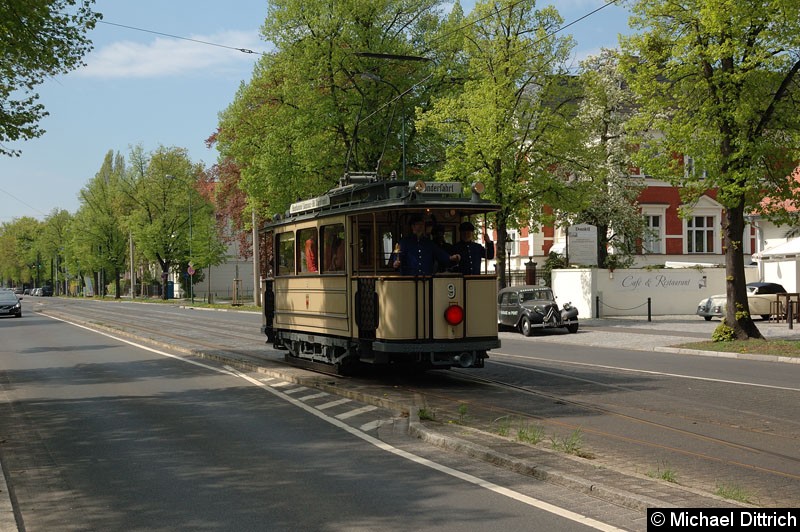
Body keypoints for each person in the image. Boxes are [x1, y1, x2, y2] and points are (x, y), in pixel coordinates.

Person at [393, 214, 460, 276]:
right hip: (409, 279)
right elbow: (397, 255)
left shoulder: (428, 243)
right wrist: (395, 262)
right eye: (418, 224)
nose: (421, 226)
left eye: (422, 224)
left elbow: (439, 253)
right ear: (412, 226)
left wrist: (450, 257)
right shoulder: (404, 242)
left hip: (426, 278)